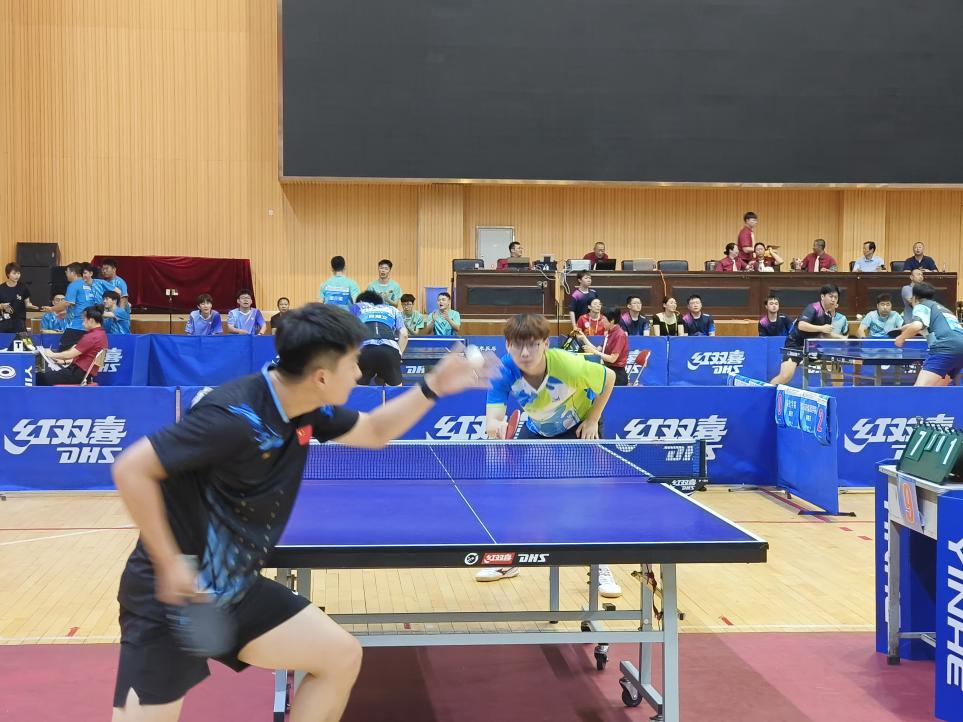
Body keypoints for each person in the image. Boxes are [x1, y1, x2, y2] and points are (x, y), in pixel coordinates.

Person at [109, 302, 493, 721]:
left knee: (339, 656)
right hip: (172, 598)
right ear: (322, 376)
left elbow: (374, 431)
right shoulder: (233, 417)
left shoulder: (306, 407)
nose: (359, 373)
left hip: (235, 588)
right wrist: (170, 564)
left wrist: (433, 387)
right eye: (353, 363)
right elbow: (132, 469)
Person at [482, 313, 617, 594]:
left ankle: (600, 565)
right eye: (518, 345)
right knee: (517, 495)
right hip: (538, 428)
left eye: (532, 344)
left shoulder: (566, 364)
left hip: (578, 426)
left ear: (545, 343)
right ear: (507, 345)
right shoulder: (504, 372)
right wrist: (496, 426)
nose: (525, 352)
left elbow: (610, 377)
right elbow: (493, 419)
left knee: (585, 498)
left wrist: (593, 419)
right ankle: (511, 559)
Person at [894, 282, 963, 386]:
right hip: (960, 350)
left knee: (920, 390)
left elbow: (916, 326)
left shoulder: (920, 305)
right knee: (937, 390)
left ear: (914, 298)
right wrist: (905, 328)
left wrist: (901, 338)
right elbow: (925, 326)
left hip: (945, 348)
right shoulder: (944, 310)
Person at [769, 284, 839, 385]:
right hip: (795, 345)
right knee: (785, 376)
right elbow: (801, 325)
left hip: (811, 346)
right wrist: (822, 328)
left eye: (835, 297)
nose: (833, 300)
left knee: (836, 366)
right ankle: (766, 391)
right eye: (831, 296)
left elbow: (824, 334)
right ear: (822, 296)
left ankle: (838, 393)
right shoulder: (813, 308)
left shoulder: (828, 316)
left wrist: (841, 338)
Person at [35, 305, 108, 386]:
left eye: (84, 320)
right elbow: (88, 357)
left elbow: (71, 354)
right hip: (84, 374)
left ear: (91, 320)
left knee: (40, 377)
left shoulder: (92, 337)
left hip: (77, 374)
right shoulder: (102, 335)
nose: (83, 324)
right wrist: (64, 361)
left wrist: (52, 354)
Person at [351, 290, 408, 386]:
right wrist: (398, 355)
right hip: (389, 351)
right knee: (395, 391)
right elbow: (404, 334)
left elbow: (348, 332)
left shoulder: (357, 307)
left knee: (359, 392)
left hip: (365, 351)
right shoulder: (393, 310)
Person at [41, 262, 98, 351]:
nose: (66, 274)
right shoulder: (88, 285)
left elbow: (67, 303)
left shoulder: (74, 285)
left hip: (78, 325)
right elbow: (82, 304)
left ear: (73, 273)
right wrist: (67, 314)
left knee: (63, 351)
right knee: (81, 352)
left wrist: (51, 309)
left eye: (67, 272)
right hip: (91, 325)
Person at [578, 307, 629, 386]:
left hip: (617, 375)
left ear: (612, 321)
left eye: (604, 319)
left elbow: (612, 359)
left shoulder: (620, 335)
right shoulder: (609, 333)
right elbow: (597, 349)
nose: (602, 321)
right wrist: (584, 338)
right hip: (608, 370)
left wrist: (594, 352)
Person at [0, 262, 39, 333]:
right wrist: (1, 306)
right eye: (14, 273)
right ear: (8, 274)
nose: (17, 276)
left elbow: (27, 303)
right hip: (4, 322)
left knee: (22, 339)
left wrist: (30, 305)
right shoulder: (1, 288)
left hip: (19, 322)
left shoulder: (23, 287)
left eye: (18, 273)